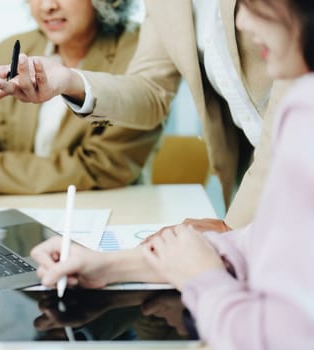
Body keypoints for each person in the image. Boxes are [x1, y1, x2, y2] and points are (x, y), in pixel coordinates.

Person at [31, 0, 314, 347]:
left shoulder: (303, 107)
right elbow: (257, 242)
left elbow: (275, 336)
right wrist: (111, 265)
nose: (242, 21)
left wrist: (206, 277)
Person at [0, 0, 290, 231]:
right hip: (255, 179)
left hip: (293, 162)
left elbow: (284, 127)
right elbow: (151, 93)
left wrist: (234, 229)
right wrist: (70, 81)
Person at [0, 0, 161, 195]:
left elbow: (102, 168)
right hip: (26, 207)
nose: (47, 6)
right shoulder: (17, 48)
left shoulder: (140, 52)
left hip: (107, 209)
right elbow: (4, 141)